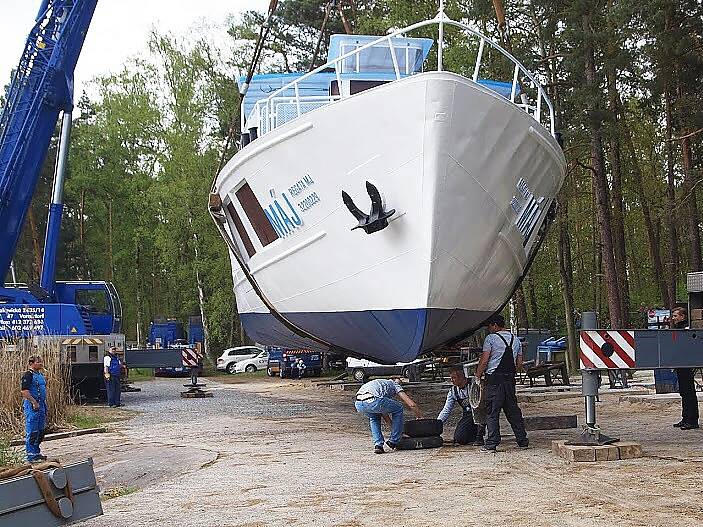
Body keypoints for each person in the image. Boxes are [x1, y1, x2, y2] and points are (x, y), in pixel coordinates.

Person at [474, 314, 528, 453]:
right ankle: (522, 441)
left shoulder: (491, 339)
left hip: (494, 381)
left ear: (495, 325)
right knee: (513, 411)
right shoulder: (516, 340)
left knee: (492, 411)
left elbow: (485, 360)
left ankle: (491, 443)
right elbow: (519, 363)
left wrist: (477, 375)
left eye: (490, 327)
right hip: (509, 381)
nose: (489, 330)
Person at [355, 378, 423, 454]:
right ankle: (393, 441)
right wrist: (419, 417)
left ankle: (378, 445)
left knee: (374, 418)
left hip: (359, 404)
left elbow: (386, 417)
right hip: (373, 400)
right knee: (399, 408)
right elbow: (411, 404)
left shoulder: (380, 385)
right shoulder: (395, 384)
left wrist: (397, 432)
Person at [437, 365, 486, 446]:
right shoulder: (453, 391)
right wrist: (438, 423)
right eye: (451, 378)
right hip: (468, 414)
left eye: (454, 378)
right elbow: (446, 410)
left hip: (481, 412)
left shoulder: (475, 384)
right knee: (459, 438)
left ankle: (481, 433)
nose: (452, 381)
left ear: (461, 377)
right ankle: (473, 435)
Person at [671, 307, 699, 430]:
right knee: (684, 392)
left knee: (689, 392)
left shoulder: (686, 330)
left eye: (675, 316)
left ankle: (692, 420)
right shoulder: (677, 330)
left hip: (687, 365)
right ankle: (686, 418)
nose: (673, 318)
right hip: (681, 365)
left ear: (682, 317)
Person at [21, 356, 48, 462]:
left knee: (40, 431)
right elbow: (24, 391)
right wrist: (33, 402)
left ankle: (36, 452)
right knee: (32, 430)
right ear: (31, 363)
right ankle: (30, 455)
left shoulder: (40, 375)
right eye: (38, 362)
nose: (41, 364)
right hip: (32, 406)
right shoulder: (28, 375)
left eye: (41, 362)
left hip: (41, 405)